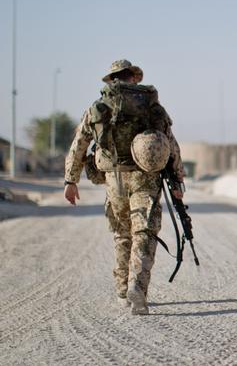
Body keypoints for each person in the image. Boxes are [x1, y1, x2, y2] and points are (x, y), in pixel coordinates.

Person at [64, 59, 185, 315]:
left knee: (122, 234)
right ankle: (137, 288)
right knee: (144, 232)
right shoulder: (151, 105)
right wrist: (178, 180)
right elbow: (169, 144)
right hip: (145, 178)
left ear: (112, 79)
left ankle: (122, 290)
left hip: (114, 179)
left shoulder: (99, 106)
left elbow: (79, 144)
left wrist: (70, 180)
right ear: (134, 78)